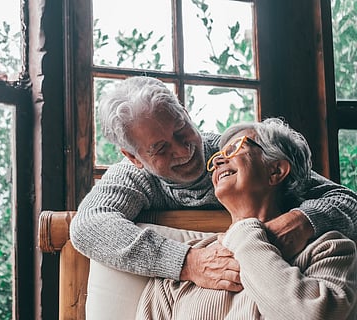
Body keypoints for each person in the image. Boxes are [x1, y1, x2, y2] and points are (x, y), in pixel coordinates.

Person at [69, 76, 357, 292]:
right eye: (160, 149)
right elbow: (88, 225)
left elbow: (347, 201)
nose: (183, 151)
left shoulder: (236, 153)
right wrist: (188, 262)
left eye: (182, 130)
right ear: (133, 157)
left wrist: (301, 220)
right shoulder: (132, 177)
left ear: (185, 112)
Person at [135, 118, 357, 319]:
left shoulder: (329, 250)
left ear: (276, 170)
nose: (220, 160)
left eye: (233, 150)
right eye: (218, 157)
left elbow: (310, 315)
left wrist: (244, 231)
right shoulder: (186, 267)